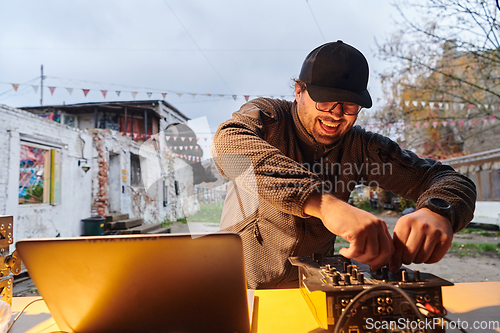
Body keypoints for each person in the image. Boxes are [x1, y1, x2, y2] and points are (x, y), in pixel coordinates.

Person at [210, 41, 476, 289]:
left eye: (350, 105)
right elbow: (226, 144)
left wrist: (438, 210)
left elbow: (445, 179)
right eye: (325, 100)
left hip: (312, 289)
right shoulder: (269, 118)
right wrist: (325, 204)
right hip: (240, 285)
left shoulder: (361, 147)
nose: (336, 114)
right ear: (299, 90)